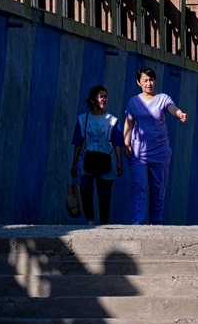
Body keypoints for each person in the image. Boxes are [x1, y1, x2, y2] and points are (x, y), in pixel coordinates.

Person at [124, 66, 188, 225]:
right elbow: (129, 123)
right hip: (138, 153)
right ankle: (137, 223)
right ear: (139, 82)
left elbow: (171, 108)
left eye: (151, 80)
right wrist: (126, 143)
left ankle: (155, 224)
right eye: (145, 80)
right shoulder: (134, 101)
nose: (149, 83)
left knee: (158, 191)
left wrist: (179, 114)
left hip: (160, 152)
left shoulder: (163, 98)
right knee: (139, 187)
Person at [70, 85, 124, 225]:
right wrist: (74, 163)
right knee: (86, 190)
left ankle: (104, 224)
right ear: (93, 100)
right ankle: (90, 221)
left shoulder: (112, 120)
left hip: (106, 160)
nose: (104, 99)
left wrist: (119, 162)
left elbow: (117, 142)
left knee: (104, 196)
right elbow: (78, 142)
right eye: (101, 96)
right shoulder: (83, 119)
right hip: (87, 161)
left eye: (106, 96)